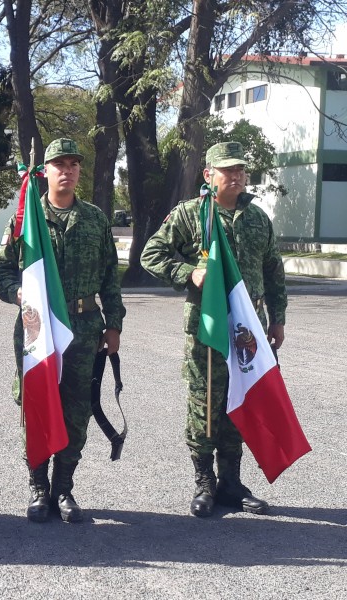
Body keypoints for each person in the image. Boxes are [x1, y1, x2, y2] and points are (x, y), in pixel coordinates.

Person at [140, 141, 286, 518]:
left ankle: (231, 484)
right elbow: (151, 254)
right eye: (227, 170)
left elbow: (273, 269)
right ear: (209, 175)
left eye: (240, 169)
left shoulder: (257, 218)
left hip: (249, 330)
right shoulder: (192, 215)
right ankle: (205, 482)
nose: (236, 176)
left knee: (241, 399)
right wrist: (189, 273)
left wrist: (279, 318)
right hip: (207, 328)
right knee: (205, 402)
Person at [0, 138, 125, 524]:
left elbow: (109, 279)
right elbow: (1, 272)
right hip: (37, 328)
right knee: (35, 406)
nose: (67, 170)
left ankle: (63, 487)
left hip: (83, 329)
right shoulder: (24, 218)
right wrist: (16, 293)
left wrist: (113, 323)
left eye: (73, 164)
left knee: (75, 410)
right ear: (44, 171)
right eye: (58, 164)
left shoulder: (95, 219)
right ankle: (38, 488)